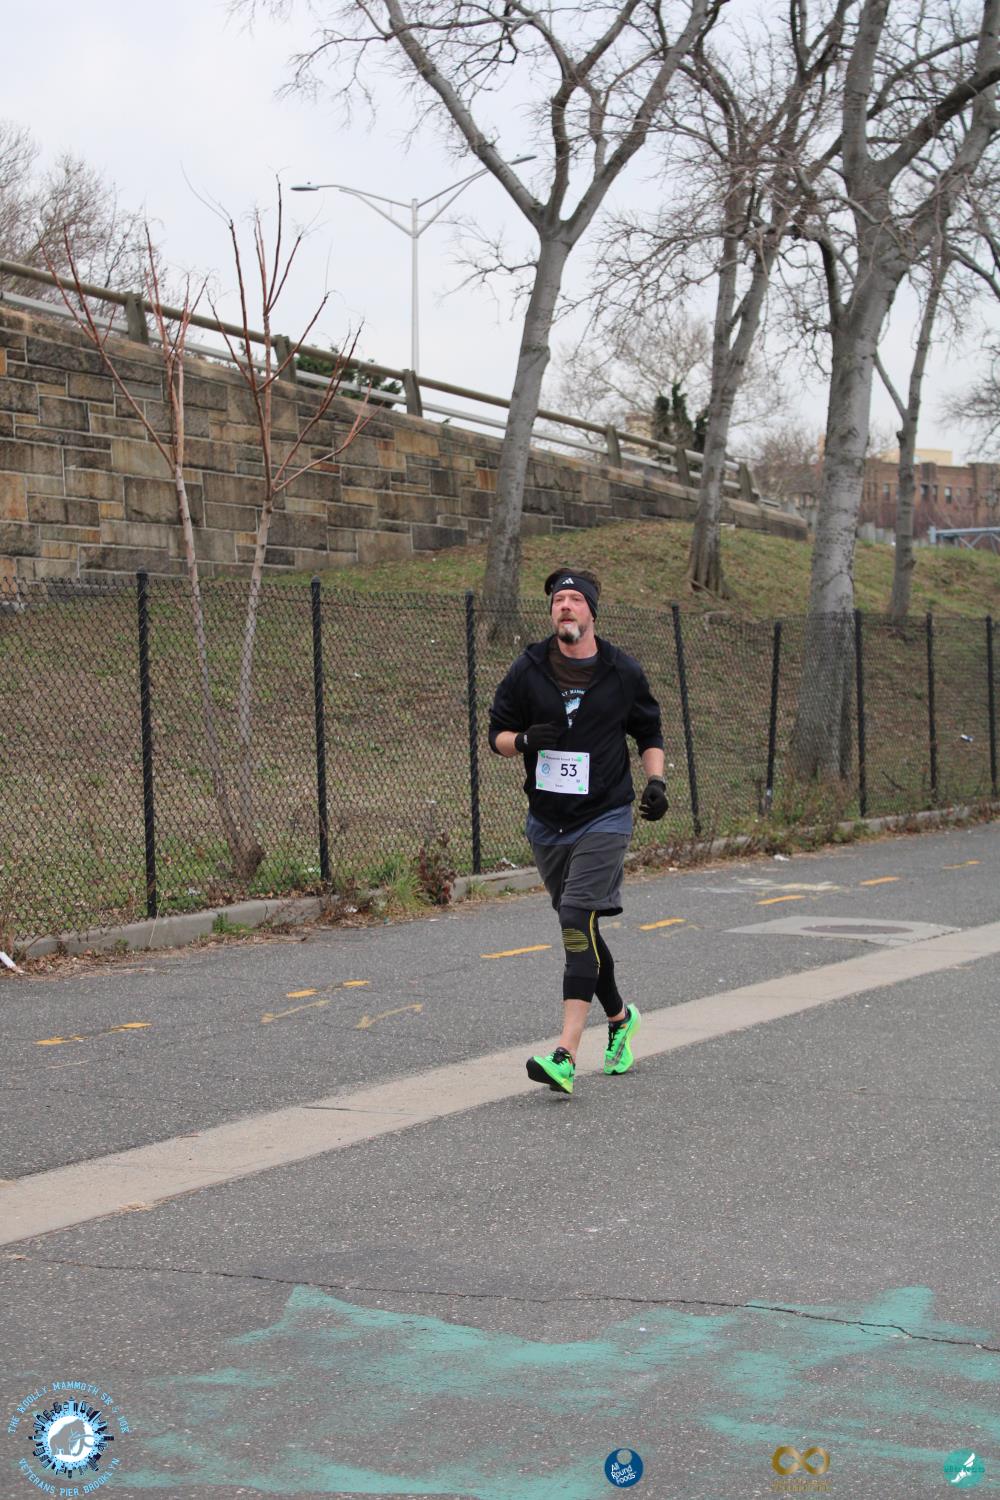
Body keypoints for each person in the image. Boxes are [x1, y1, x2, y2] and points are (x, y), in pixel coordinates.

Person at [488, 566, 667, 1096]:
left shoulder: (621, 671)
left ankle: (565, 1054)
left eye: (574, 600)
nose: (564, 607)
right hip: (548, 821)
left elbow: (649, 731)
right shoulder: (528, 668)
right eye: (557, 601)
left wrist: (656, 782)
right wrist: (524, 742)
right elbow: (496, 735)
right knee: (580, 925)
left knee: (574, 917)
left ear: (591, 611)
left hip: (605, 814)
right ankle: (620, 1020)